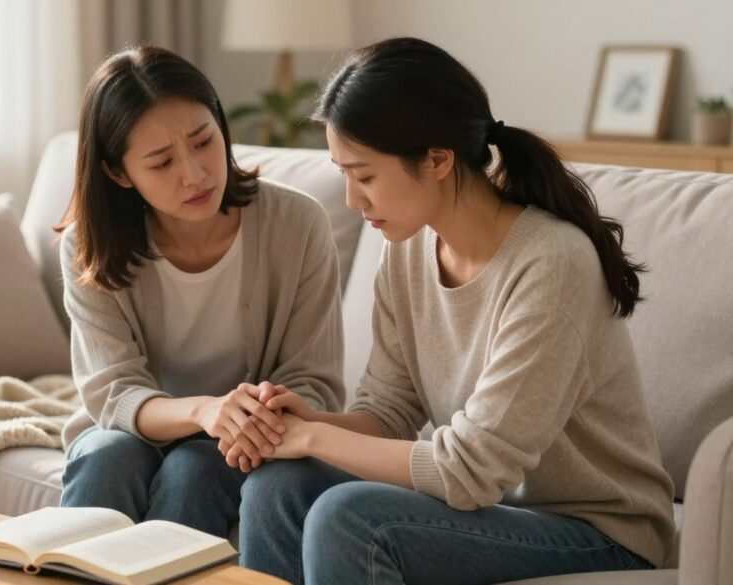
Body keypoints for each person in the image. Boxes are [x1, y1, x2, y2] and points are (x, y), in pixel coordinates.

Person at [236, 37, 676, 584]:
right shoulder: (406, 250)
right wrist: (299, 425)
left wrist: (313, 440)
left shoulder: (551, 262)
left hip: (598, 533)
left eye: (365, 175)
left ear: (438, 159)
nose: (352, 200)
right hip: (489, 514)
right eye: (343, 173)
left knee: (350, 519)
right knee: (275, 486)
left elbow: (472, 469)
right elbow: (390, 412)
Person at [55, 45, 345, 538]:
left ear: (220, 124)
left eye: (203, 141)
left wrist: (242, 419)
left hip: (243, 438)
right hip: (132, 428)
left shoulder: (297, 223)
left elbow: (312, 381)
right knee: (106, 458)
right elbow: (113, 393)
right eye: (162, 162)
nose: (195, 173)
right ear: (118, 173)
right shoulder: (89, 245)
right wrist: (204, 410)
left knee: (196, 467)